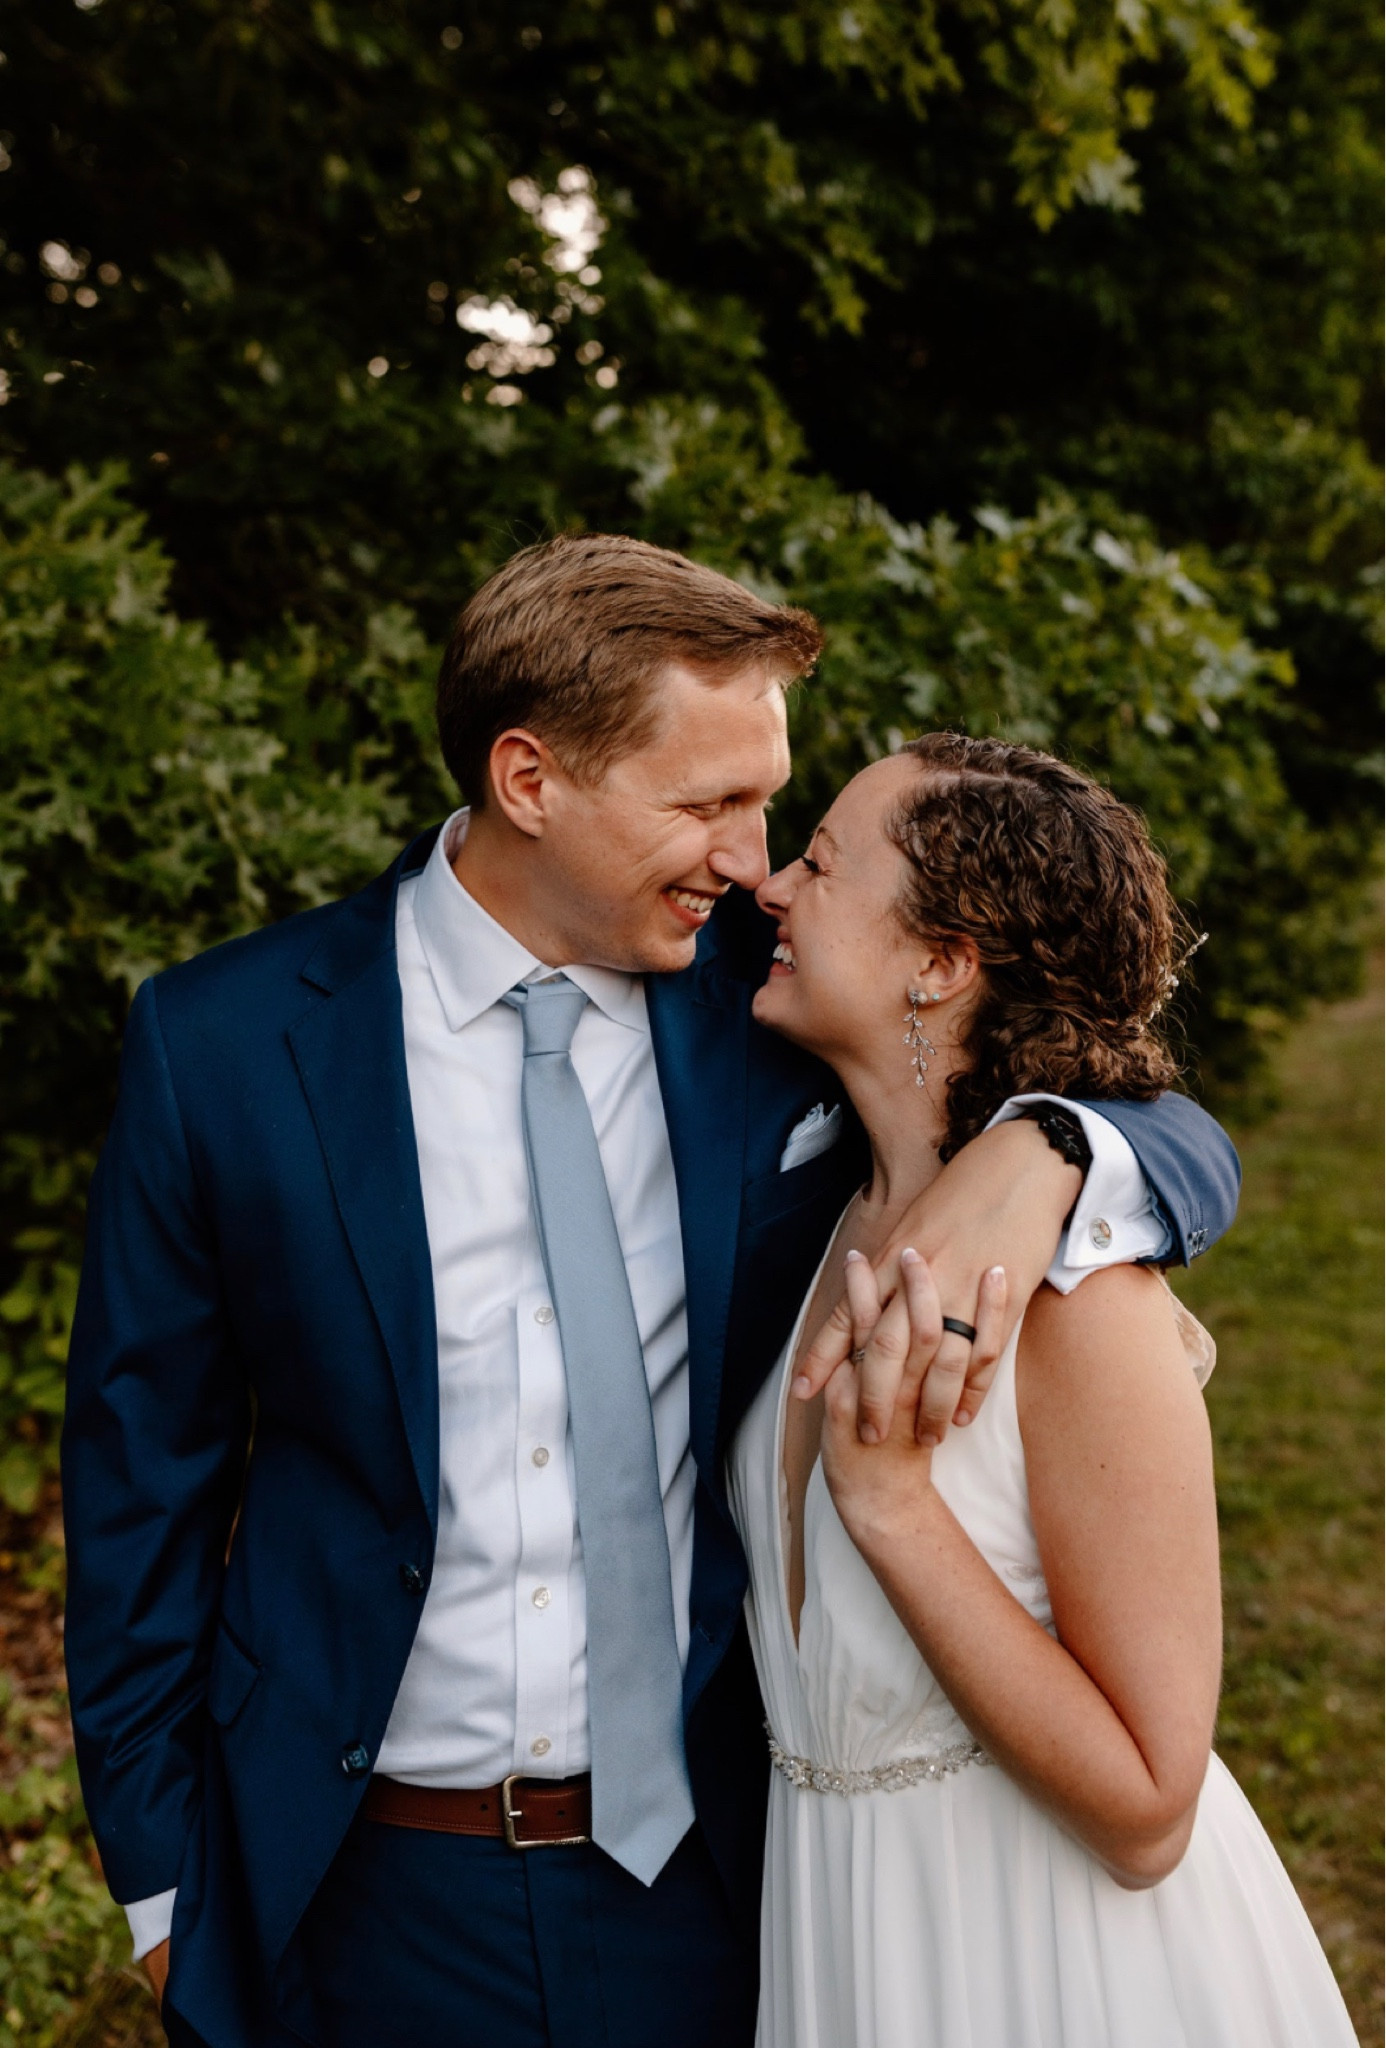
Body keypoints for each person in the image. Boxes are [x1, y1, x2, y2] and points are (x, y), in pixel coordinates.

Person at [62, 539, 1241, 2048]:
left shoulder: (771, 997)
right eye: (705, 806)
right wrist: (167, 1900)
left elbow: (1146, 1109)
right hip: (359, 1892)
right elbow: (134, 1497)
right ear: (529, 778)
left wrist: (1059, 1150)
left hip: (727, 1883)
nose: (751, 860)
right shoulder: (222, 1045)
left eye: (768, 807)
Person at [728, 732, 1356, 2048]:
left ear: (940, 962)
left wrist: (892, 1505)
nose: (771, 887)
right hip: (843, 1938)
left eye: (822, 866)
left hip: (1050, 1968)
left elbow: (1145, 1810)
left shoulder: (1078, 1300)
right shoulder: (822, 1211)